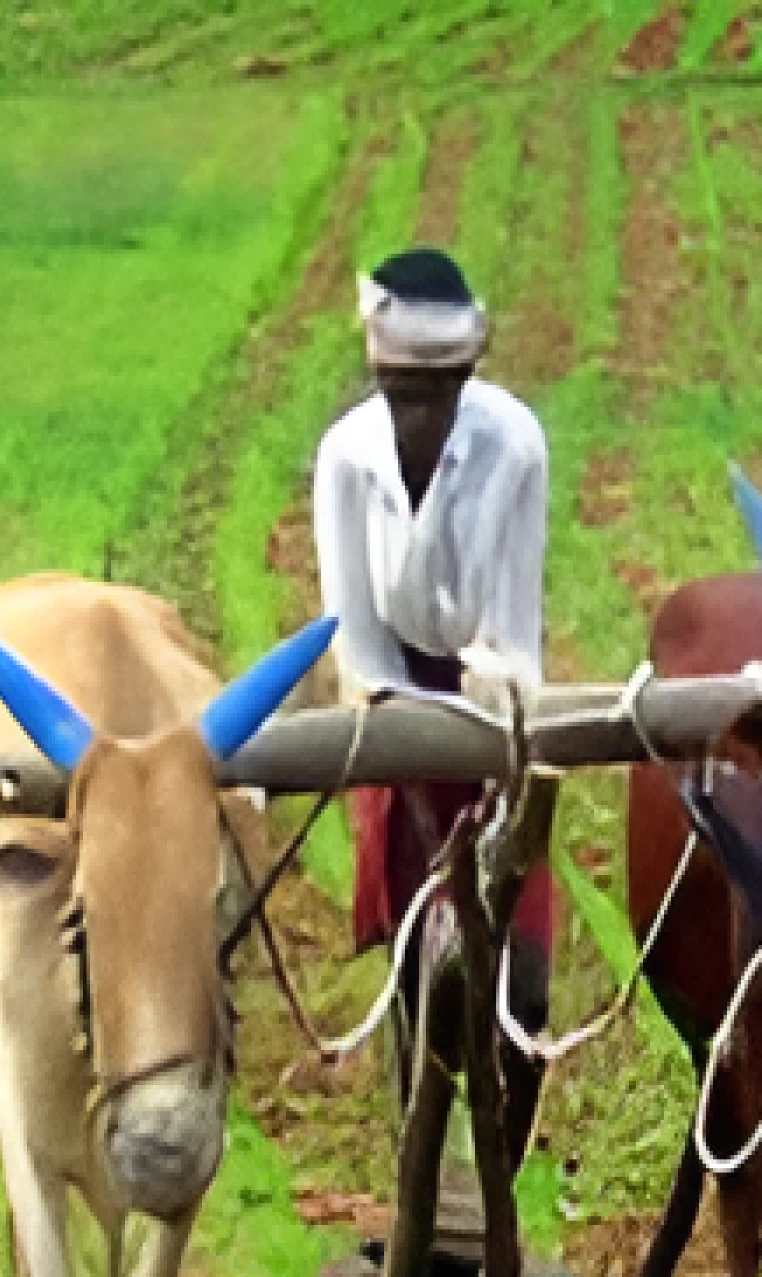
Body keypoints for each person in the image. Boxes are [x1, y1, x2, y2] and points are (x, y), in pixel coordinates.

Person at [312, 246, 553, 1169]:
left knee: (520, 981)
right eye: (402, 394)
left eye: (437, 393)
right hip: (390, 708)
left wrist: (496, 716)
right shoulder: (347, 455)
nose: (418, 413)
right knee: (419, 970)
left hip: (491, 706)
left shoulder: (513, 444)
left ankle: (499, 1176)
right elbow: (356, 638)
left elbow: (510, 630)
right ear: (378, 378)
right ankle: (418, 1157)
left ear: (466, 379)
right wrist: (382, 720)